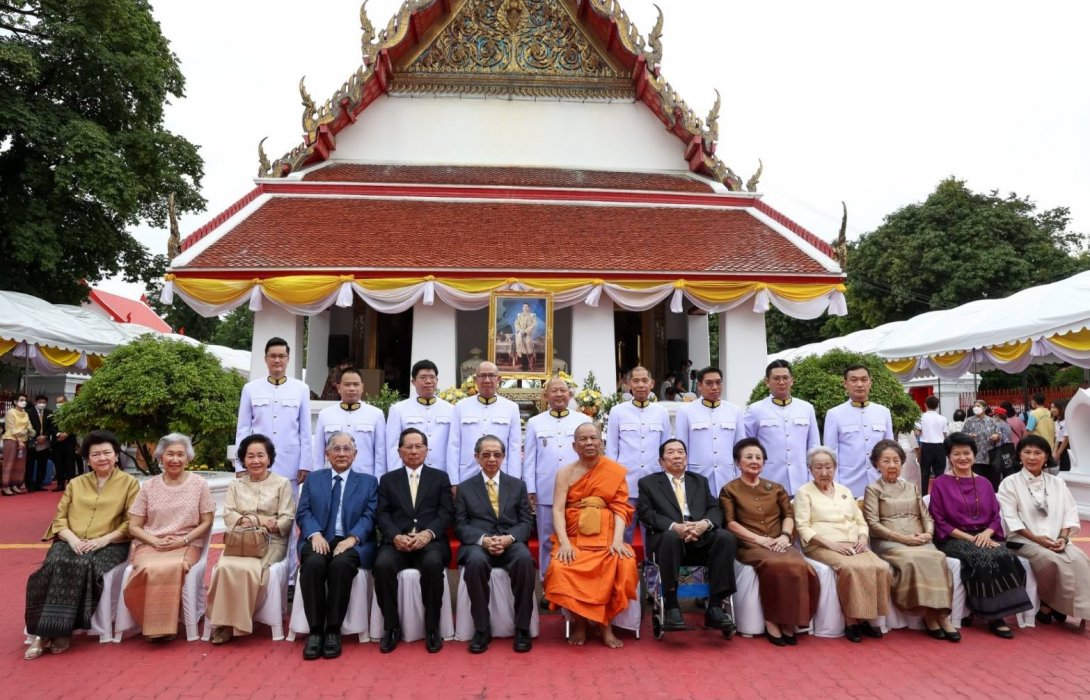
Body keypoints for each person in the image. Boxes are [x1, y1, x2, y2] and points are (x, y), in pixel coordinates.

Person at [23, 430, 140, 659]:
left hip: (111, 543)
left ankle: (55, 631)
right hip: (70, 540)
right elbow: (60, 519)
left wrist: (101, 540)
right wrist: (74, 540)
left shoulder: (129, 484)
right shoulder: (76, 484)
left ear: (116, 455)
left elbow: (130, 522)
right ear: (88, 458)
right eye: (96, 454)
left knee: (83, 565)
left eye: (107, 453)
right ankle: (46, 633)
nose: (102, 458)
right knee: (54, 563)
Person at [928, 432, 1032, 638]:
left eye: (967, 453)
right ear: (949, 457)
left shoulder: (984, 482)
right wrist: (971, 539)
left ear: (974, 455)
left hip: (985, 536)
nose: (962, 458)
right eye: (956, 454)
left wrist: (986, 534)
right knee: (983, 557)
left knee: (1005, 555)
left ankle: (994, 609)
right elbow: (939, 521)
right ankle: (993, 616)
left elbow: (995, 515)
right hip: (954, 538)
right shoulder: (940, 483)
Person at [545, 423, 638, 648]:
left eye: (594, 438)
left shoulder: (613, 471)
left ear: (601, 443)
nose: (589, 443)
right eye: (583, 439)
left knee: (622, 562)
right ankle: (580, 623)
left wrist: (617, 541)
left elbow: (620, 508)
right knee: (560, 567)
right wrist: (565, 543)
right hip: (574, 536)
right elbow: (557, 509)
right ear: (574, 446)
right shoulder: (565, 472)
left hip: (606, 535)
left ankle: (606, 625)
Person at [720, 437, 818, 646]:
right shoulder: (729, 490)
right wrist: (760, 540)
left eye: (758, 457)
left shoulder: (776, 488)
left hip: (780, 541)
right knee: (775, 564)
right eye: (748, 457)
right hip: (749, 545)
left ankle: (790, 621)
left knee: (799, 564)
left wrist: (784, 536)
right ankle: (772, 620)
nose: (754, 461)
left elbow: (788, 515)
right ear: (738, 462)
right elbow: (730, 523)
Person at [637, 439, 736, 632]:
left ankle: (715, 606)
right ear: (661, 461)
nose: (677, 456)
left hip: (700, 536)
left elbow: (714, 508)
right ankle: (673, 606)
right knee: (670, 537)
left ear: (686, 457)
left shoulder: (699, 480)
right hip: (669, 540)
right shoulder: (648, 483)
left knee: (726, 538)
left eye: (681, 452)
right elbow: (646, 513)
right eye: (671, 453)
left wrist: (703, 525)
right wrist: (675, 527)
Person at [123, 434, 215, 641]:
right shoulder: (149, 486)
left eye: (181, 454)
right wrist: (154, 541)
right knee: (148, 567)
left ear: (188, 458)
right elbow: (134, 526)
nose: (175, 459)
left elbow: (206, 521)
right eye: (170, 454)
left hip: (186, 543)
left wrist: (183, 541)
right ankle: (152, 622)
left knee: (173, 566)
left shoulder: (199, 484)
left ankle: (164, 624)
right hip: (151, 543)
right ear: (160, 457)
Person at [862, 439, 957, 641]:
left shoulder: (912, 487)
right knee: (913, 560)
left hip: (918, 537)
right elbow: (873, 524)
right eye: (886, 461)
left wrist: (928, 534)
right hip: (889, 541)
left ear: (902, 463)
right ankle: (929, 615)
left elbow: (925, 516)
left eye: (896, 460)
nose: (892, 465)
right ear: (877, 464)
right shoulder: (873, 489)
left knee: (938, 557)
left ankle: (941, 615)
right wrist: (902, 539)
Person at [296, 431, 378, 660]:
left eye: (346, 449)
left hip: (352, 541)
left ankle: (333, 630)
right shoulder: (314, 479)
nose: (341, 453)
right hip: (319, 538)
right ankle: (315, 631)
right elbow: (303, 511)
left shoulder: (368, 482)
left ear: (355, 454)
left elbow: (370, 516)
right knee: (312, 565)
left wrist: (352, 539)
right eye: (336, 449)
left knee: (341, 566)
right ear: (327, 453)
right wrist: (314, 535)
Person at [206, 434, 296, 645]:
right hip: (241, 542)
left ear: (270, 458)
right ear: (243, 459)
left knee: (249, 570)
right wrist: (260, 520)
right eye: (250, 456)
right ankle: (224, 622)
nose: (255, 461)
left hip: (272, 542)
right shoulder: (236, 485)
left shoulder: (282, 484)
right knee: (224, 568)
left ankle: (234, 625)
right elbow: (229, 514)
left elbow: (286, 518)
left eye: (260, 456)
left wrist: (252, 520)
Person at [794, 446, 889, 642]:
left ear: (835, 468)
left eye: (829, 467)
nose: (824, 472)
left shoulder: (844, 490)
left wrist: (863, 538)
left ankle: (867, 618)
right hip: (821, 545)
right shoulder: (804, 493)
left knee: (881, 567)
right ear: (810, 469)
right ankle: (851, 621)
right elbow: (803, 527)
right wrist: (831, 545)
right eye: (818, 467)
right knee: (850, 568)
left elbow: (860, 521)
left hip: (853, 543)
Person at [374, 428, 454, 654]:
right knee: (382, 566)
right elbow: (382, 514)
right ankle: (391, 627)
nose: (413, 451)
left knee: (432, 565)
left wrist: (428, 534)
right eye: (408, 447)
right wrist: (395, 536)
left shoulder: (440, 478)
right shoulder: (388, 480)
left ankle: (431, 628)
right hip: (397, 542)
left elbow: (446, 513)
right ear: (399, 451)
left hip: (430, 542)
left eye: (418, 446)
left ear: (427, 450)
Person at [454, 435, 535, 654]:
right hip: (479, 544)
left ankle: (522, 628)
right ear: (477, 457)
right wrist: (484, 540)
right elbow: (460, 525)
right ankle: (481, 629)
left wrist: (509, 538)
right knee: (476, 562)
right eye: (486, 455)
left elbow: (526, 522)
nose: (492, 459)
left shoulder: (517, 485)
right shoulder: (465, 488)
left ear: (504, 457)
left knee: (524, 559)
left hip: (510, 541)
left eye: (497, 455)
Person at [998, 434, 1090, 624]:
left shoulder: (1057, 483)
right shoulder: (1010, 483)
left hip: (1056, 539)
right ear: (1020, 456)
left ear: (1046, 456)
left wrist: (1063, 538)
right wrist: (1038, 539)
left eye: (1038, 452)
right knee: (1052, 561)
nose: (1032, 457)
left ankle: (1071, 608)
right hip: (1024, 541)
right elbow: (1011, 519)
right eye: (1027, 452)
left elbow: (1069, 513)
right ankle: (1050, 604)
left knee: (1080, 559)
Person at [523, 377, 590, 575]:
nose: (559, 394)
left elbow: (590, 455)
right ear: (546, 396)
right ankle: (546, 582)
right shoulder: (535, 422)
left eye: (563, 390)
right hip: (546, 489)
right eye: (554, 391)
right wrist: (530, 488)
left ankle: (574, 579)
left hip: (577, 488)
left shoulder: (583, 421)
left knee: (577, 536)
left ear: (570, 395)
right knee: (545, 538)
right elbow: (529, 458)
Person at [605, 365, 672, 542]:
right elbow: (611, 449)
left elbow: (666, 448)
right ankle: (625, 568)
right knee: (624, 531)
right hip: (626, 482)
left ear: (652, 384)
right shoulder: (618, 411)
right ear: (628, 385)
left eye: (645, 381)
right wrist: (613, 481)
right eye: (636, 381)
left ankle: (652, 568)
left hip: (653, 480)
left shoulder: (661, 412)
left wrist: (666, 479)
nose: (641, 385)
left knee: (652, 531)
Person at [235, 337, 312, 489]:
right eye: (273, 356)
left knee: (288, 509)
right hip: (258, 464)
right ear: (266, 359)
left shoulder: (301, 389)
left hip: (290, 463)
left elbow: (305, 431)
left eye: (282, 356)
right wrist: (240, 465)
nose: (277, 360)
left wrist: (306, 464)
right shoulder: (251, 388)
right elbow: (243, 429)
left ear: (288, 358)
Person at [742, 360, 819, 495]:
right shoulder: (756, 410)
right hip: (768, 480)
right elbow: (746, 446)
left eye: (785, 378)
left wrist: (814, 477)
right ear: (767, 382)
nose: (781, 382)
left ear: (792, 380)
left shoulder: (806, 408)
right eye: (776, 378)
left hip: (801, 481)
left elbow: (814, 446)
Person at [823, 365, 894, 498]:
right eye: (854, 380)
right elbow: (830, 453)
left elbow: (890, 449)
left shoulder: (883, 412)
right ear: (845, 383)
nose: (859, 384)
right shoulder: (835, 414)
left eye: (864, 379)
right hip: (848, 485)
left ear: (870, 382)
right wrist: (835, 486)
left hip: (880, 483)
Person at [673, 366, 744, 497]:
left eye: (718, 382)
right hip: (698, 478)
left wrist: (741, 479)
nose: (715, 387)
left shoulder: (735, 411)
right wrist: (683, 481)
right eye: (709, 383)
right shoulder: (686, 412)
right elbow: (681, 448)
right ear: (699, 386)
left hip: (727, 478)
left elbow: (740, 449)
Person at [447, 362, 522, 484]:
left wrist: (514, 481)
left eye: (491, 375)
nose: (487, 380)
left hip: (500, 475)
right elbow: (454, 445)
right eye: (482, 376)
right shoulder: (461, 407)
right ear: (476, 380)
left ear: (498, 379)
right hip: (467, 474)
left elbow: (514, 447)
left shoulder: (511, 408)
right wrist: (453, 481)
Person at [386, 360, 454, 481]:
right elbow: (393, 447)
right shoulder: (398, 409)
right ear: (413, 381)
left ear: (437, 380)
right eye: (423, 377)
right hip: (410, 474)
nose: (428, 381)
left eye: (432, 377)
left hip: (441, 473)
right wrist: (395, 478)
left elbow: (454, 445)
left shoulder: (450, 409)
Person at [312, 367, 386, 477]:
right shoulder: (325, 414)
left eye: (356, 384)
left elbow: (380, 453)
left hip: (364, 477)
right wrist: (317, 478)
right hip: (332, 477)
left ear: (362, 387)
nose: (352, 388)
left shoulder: (376, 414)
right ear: (338, 387)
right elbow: (318, 452)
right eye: (347, 384)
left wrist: (378, 481)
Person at [961, 400, 1002, 490]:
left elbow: (999, 435)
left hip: (989, 456)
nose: (976, 408)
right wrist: (969, 437)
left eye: (978, 406)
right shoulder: (969, 421)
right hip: (975, 457)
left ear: (985, 408)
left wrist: (997, 436)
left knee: (991, 481)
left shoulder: (991, 421)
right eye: (974, 406)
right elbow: (962, 435)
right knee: (976, 481)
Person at [916, 395, 949, 495]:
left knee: (925, 473)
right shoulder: (943, 418)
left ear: (925, 404)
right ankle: (938, 494)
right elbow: (945, 434)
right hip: (940, 446)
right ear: (937, 406)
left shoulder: (920, 417)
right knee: (939, 473)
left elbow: (917, 432)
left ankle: (924, 495)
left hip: (926, 446)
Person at [2, 392, 31, 495]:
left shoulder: (26, 413)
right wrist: (20, 439)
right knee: (9, 463)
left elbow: (29, 427)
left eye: (25, 400)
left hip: (23, 440)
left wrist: (29, 432)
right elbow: (11, 428)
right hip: (11, 439)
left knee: (20, 465)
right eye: (21, 400)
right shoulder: (11, 412)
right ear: (15, 402)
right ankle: (6, 486)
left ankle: (15, 484)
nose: (24, 402)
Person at [48, 396, 78, 492]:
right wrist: (58, 434)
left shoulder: (72, 413)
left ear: (66, 402)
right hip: (57, 442)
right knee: (58, 464)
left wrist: (66, 434)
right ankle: (60, 484)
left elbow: (74, 426)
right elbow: (51, 427)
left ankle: (71, 484)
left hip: (69, 441)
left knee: (70, 463)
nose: (59, 404)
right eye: (57, 402)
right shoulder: (54, 414)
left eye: (61, 402)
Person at [25, 394, 53, 492]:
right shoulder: (28, 412)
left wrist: (45, 436)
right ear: (36, 402)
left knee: (43, 463)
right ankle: (29, 485)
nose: (42, 404)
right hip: (33, 441)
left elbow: (51, 427)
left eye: (44, 402)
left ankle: (38, 484)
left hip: (44, 441)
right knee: (30, 464)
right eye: (40, 402)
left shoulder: (49, 413)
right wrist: (37, 437)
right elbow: (27, 426)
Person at [514, 303, 538, 371]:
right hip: (520, 335)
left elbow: (533, 325)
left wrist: (525, 331)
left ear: (529, 308)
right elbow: (516, 323)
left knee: (527, 349)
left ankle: (527, 366)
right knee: (521, 350)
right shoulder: (519, 315)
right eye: (524, 307)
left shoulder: (532, 316)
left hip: (527, 335)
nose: (525, 308)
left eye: (526, 307)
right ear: (522, 308)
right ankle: (523, 365)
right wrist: (520, 330)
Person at [1051, 398, 1070, 473]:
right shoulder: (1057, 421)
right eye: (1051, 408)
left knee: (1065, 469)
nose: (1052, 410)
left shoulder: (1066, 421)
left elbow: (1066, 439)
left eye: (1054, 407)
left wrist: (1058, 453)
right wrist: (1055, 451)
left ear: (1060, 408)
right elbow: (1057, 438)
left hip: (1066, 447)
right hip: (1060, 447)